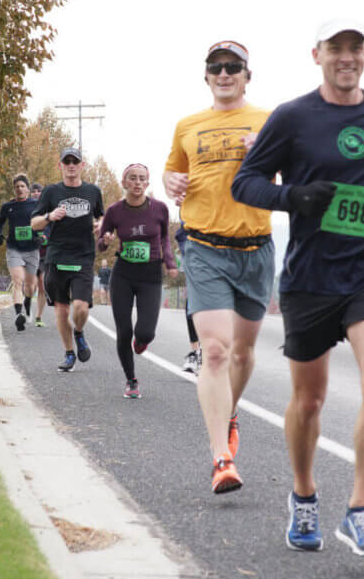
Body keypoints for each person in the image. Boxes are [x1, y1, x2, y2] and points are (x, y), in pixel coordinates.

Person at [231, 19, 364, 557]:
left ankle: (360, 511)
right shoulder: (292, 117)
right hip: (311, 276)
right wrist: (292, 197)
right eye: (335, 49)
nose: (346, 57)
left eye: (355, 48)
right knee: (309, 400)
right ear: (316, 54)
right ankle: (303, 496)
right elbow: (245, 182)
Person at [162, 40, 274, 494]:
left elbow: (295, 177)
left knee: (243, 355)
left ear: (248, 75)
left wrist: (264, 154)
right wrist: (171, 179)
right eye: (216, 68)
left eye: (233, 67)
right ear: (206, 76)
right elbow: (172, 173)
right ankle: (220, 458)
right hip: (204, 246)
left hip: (256, 248)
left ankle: (229, 415)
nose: (224, 74)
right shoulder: (188, 125)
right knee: (214, 350)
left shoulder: (270, 122)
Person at [97, 164, 178, 399]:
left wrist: (170, 264)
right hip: (123, 275)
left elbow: (164, 240)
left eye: (142, 179)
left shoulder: (160, 209)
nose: (137, 183)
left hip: (150, 275)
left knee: (145, 332)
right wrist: (106, 239)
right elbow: (100, 244)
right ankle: (131, 380)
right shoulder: (114, 211)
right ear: (124, 182)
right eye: (132, 178)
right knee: (124, 331)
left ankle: (141, 341)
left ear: (147, 183)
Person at [31, 147, 105, 372]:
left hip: (83, 256)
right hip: (56, 257)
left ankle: (79, 332)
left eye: (75, 161)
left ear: (82, 165)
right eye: (67, 161)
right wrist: (49, 216)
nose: (71, 165)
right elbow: (34, 223)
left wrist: (102, 225)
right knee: (61, 311)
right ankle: (69, 353)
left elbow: (102, 216)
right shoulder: (51, 192)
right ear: (60, 165)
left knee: (81, 308)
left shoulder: (93, 191)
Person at [0, 174, 40, 331]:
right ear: (14, 189)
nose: (19, 189)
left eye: (22, 186)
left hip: (32, 249)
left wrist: (43, 236)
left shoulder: (36, 204)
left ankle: (27, 301)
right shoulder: (7, 206)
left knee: (30, 285)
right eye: (17, 187)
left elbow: (47, 222)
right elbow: (0, 221)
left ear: (28, 189)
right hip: (14, 248)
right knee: (18, 280)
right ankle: (18, 315)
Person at [175, 222, 202, 374]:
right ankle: (196, 351)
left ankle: (203, 351)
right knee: (193, 303)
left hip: (220, 250)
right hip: (193, 246)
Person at [31, 183, 49, 327]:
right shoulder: (28, 209)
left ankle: (38, 316)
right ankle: (24, 308)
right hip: (29, 252)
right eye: (33, 191)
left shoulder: (48, 209)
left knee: (42, 283)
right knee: (31, 285)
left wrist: (45, 238)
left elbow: (52, 227)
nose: (36, 193)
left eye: (39, 191)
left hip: (45, 254)